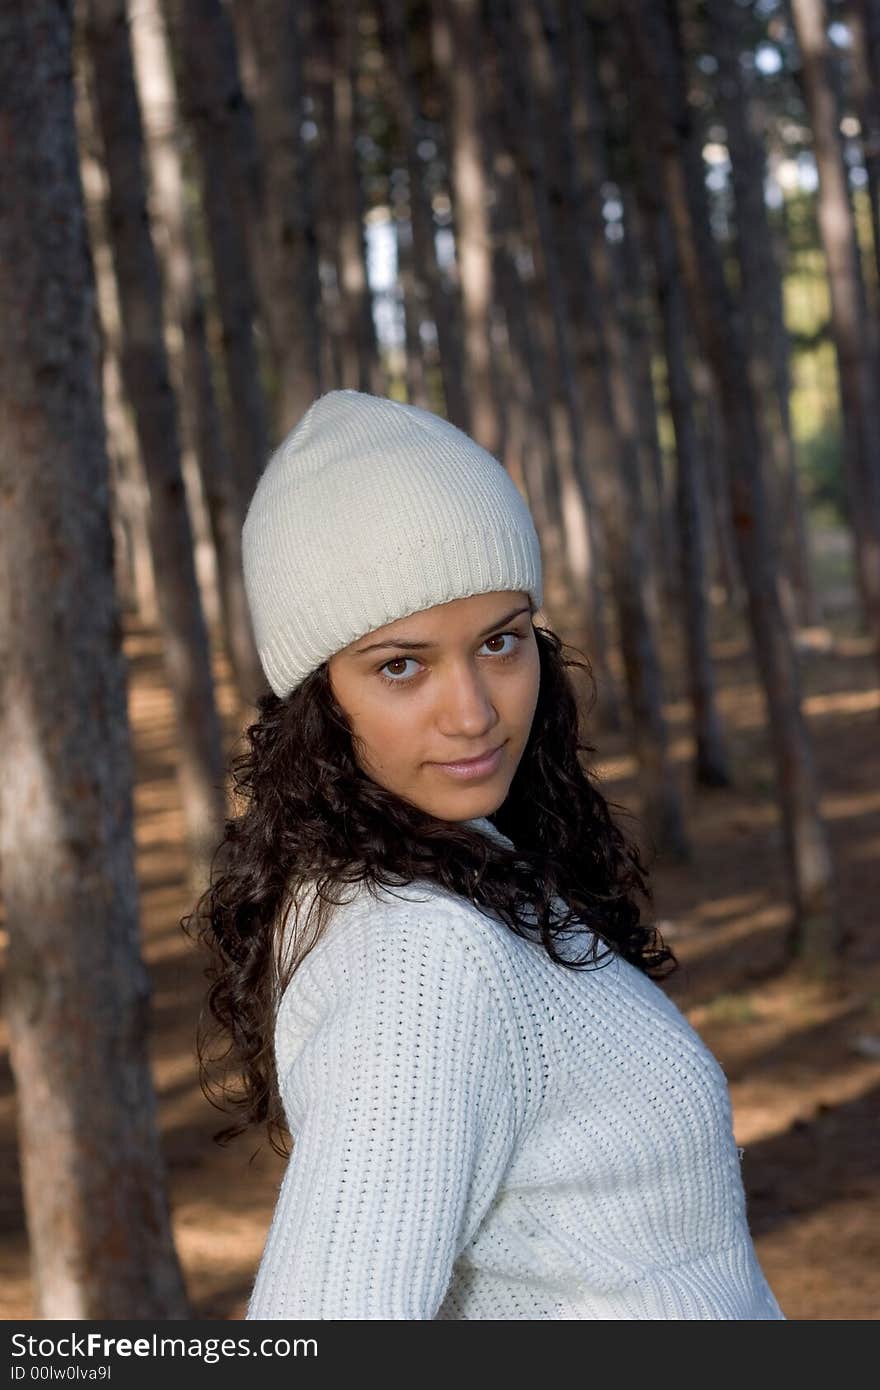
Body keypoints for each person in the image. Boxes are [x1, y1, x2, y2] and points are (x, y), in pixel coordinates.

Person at [185, 388, 786, 1320]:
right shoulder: (421, 956)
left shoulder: (464, 870)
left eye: (500, 643)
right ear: (315, 698)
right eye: (402, 665)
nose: (473, 712)